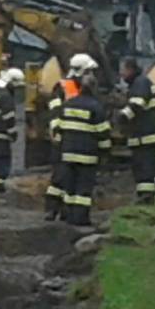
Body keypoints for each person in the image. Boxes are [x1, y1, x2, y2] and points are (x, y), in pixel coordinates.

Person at [45, 54, 98, 221]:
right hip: (63, 138)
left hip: (72, 139)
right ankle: (52, 209)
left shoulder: (84, 89)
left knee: (68, 177)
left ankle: (65, 212)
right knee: (59, 177)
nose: (91, 76)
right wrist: (58, 133)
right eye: (89, 72)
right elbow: (55, 113)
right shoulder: (62, 87)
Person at [55, 71, 112, 227]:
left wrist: (61, 148)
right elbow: (103, 133)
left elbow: (59, 128)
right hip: (86, 156)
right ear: (94, 88)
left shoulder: (68, 104)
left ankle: (67, 215)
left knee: (69, 188)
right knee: (83, 189)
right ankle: (80, 219)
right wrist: (105, 153)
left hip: (67, 154)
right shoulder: (96, 108)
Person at [118, 57, 155, 204]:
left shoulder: (140, 83)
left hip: (147, 136)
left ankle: (147, 197)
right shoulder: (138, 83)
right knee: (141, 168)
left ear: (131, 69)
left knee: (146, 167)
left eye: (123, 71)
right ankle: (144, 195)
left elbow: (137, 104)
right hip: (142, 137)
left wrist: (122, 117)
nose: (122, 75)